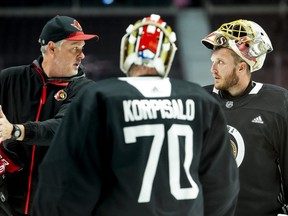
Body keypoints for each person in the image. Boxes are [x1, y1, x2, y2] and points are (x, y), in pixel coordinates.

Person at [32, 14, 239, 216]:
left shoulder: (99, 98)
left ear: (126, 51)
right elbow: (223, 187)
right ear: (167, 56)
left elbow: (64, 185)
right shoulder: (202, 101)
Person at [0, 15, 98, 215]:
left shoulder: (86, 90)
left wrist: (16, 131)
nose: (82, 55)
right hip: (7, 205)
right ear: (52, 48)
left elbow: (62, 128)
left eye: (82, 48)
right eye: (75, 48)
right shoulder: (9, 79)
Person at [201, 19, 288, 216]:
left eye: (220, 62)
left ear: (241, 67)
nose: (212, 69)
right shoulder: (200, 101)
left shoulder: (278, 103)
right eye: (212, 61)